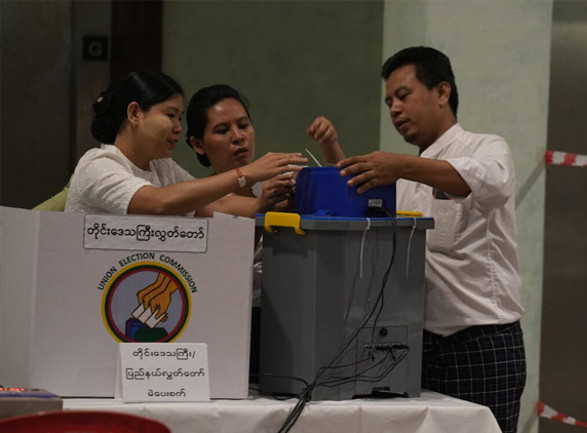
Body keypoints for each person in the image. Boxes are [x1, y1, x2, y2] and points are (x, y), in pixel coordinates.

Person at [337, 46, 526, 433]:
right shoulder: (403, 178)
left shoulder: (486, 146)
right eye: (389, 102)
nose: (394, 109)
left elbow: (492, 182)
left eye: (403, 96)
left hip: (480, 343)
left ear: (442, 92)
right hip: (416, 343)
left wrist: (402, 165)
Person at [184, 84, 343, 384]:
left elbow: (339, 199)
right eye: (222, 130)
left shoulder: (274, 188)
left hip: (291, 319)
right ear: (198, 145)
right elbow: (238, 229)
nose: (238, 136)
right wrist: (265, 206)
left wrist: (330, 145)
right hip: (229, 325)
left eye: (243, 125)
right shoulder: (201, 200)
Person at [65, 71, 307, 216]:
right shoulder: (99, 164)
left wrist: (265, 204)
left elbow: (213, 204)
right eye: (170, 115)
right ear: (135, 113)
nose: (178, 127)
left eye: (179, 118)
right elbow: (158, 202)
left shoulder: (162, 166)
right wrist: (246, 173)